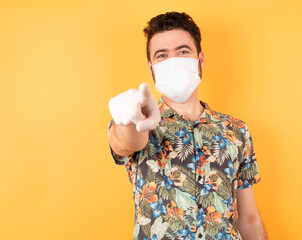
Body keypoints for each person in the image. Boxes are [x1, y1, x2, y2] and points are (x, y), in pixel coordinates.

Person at [107, 11, 267, 240]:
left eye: (183, 52)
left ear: (200, 60)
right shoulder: (139, 121)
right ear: (151, 67)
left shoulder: (237, 130)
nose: (173, 61)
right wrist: (129, 121)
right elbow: (125, 142)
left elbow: (249, 219)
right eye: (162, 55)